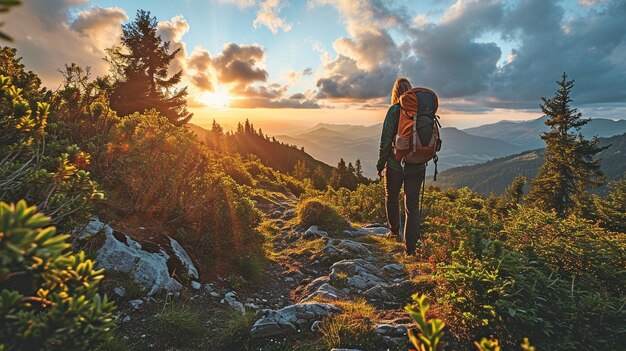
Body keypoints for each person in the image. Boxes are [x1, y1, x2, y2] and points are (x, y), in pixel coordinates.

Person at [376, 77, 426, 256]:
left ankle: (394, 232)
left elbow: (385, 140)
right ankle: (410, 249)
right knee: (411, 205)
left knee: (392, 198)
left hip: (396, 164)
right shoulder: (421, 112)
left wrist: (380, 164)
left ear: (395, 93)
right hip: (418, 165)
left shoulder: (395, 110)